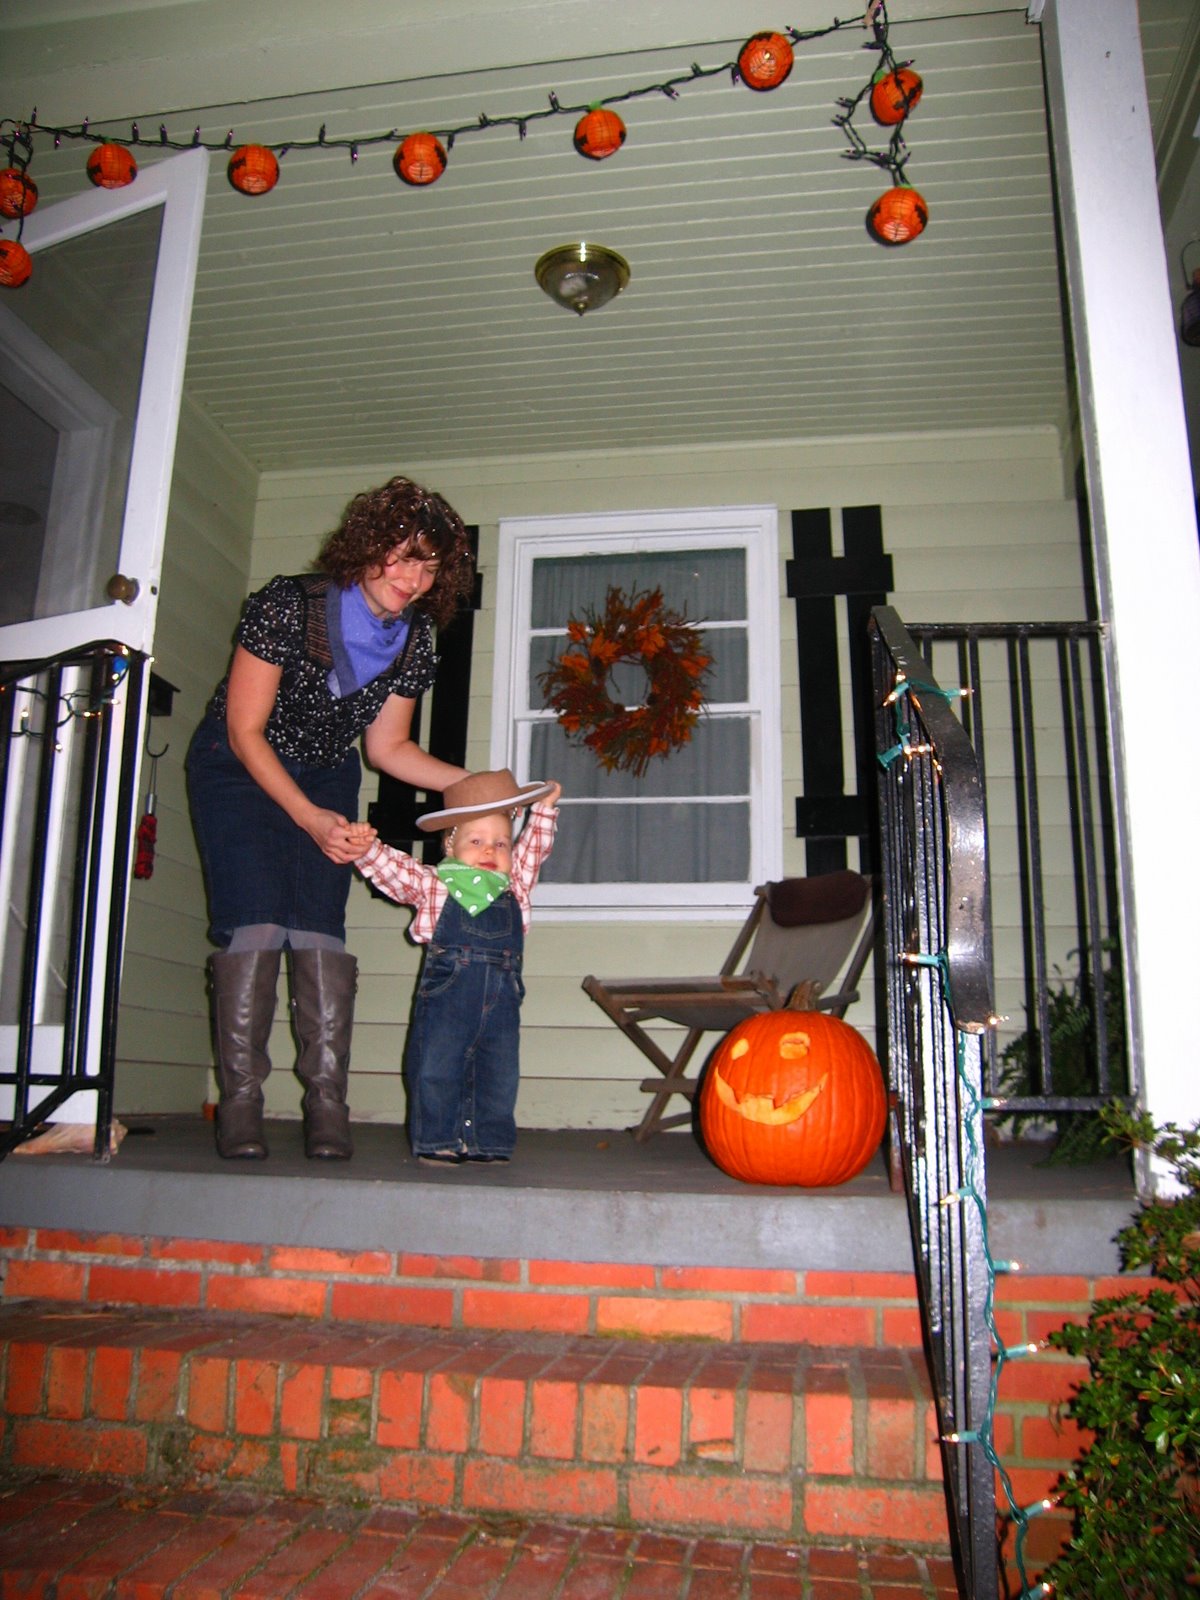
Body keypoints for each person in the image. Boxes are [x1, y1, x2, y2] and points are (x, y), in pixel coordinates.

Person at [185, 475, 475, 1163]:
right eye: (402, 557)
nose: (412, 579)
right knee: (257, 921)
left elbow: (388, 748)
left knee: (318, 927)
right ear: (368, 545)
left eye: (429, 568)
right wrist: (309, 818)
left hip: (326, 772)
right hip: (238, 766)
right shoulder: (288, 605)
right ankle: (242, 1104)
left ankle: (326, 1104)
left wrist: (478, 784)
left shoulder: (417, 639)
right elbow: (245, 730)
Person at [351, 769, 561, 1165]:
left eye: (501, 843)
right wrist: (367, 848)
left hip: (502, 1000)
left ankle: (488, 1140)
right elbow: (395, 871)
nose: (490, 850)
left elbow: (533, 850)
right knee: (437, 1065)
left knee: (498, 1071)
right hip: (448, 994)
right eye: (476, 841)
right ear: (451, 844)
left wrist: (545, 811)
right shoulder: (435, 883)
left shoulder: (514, 885)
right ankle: (438, 1139)